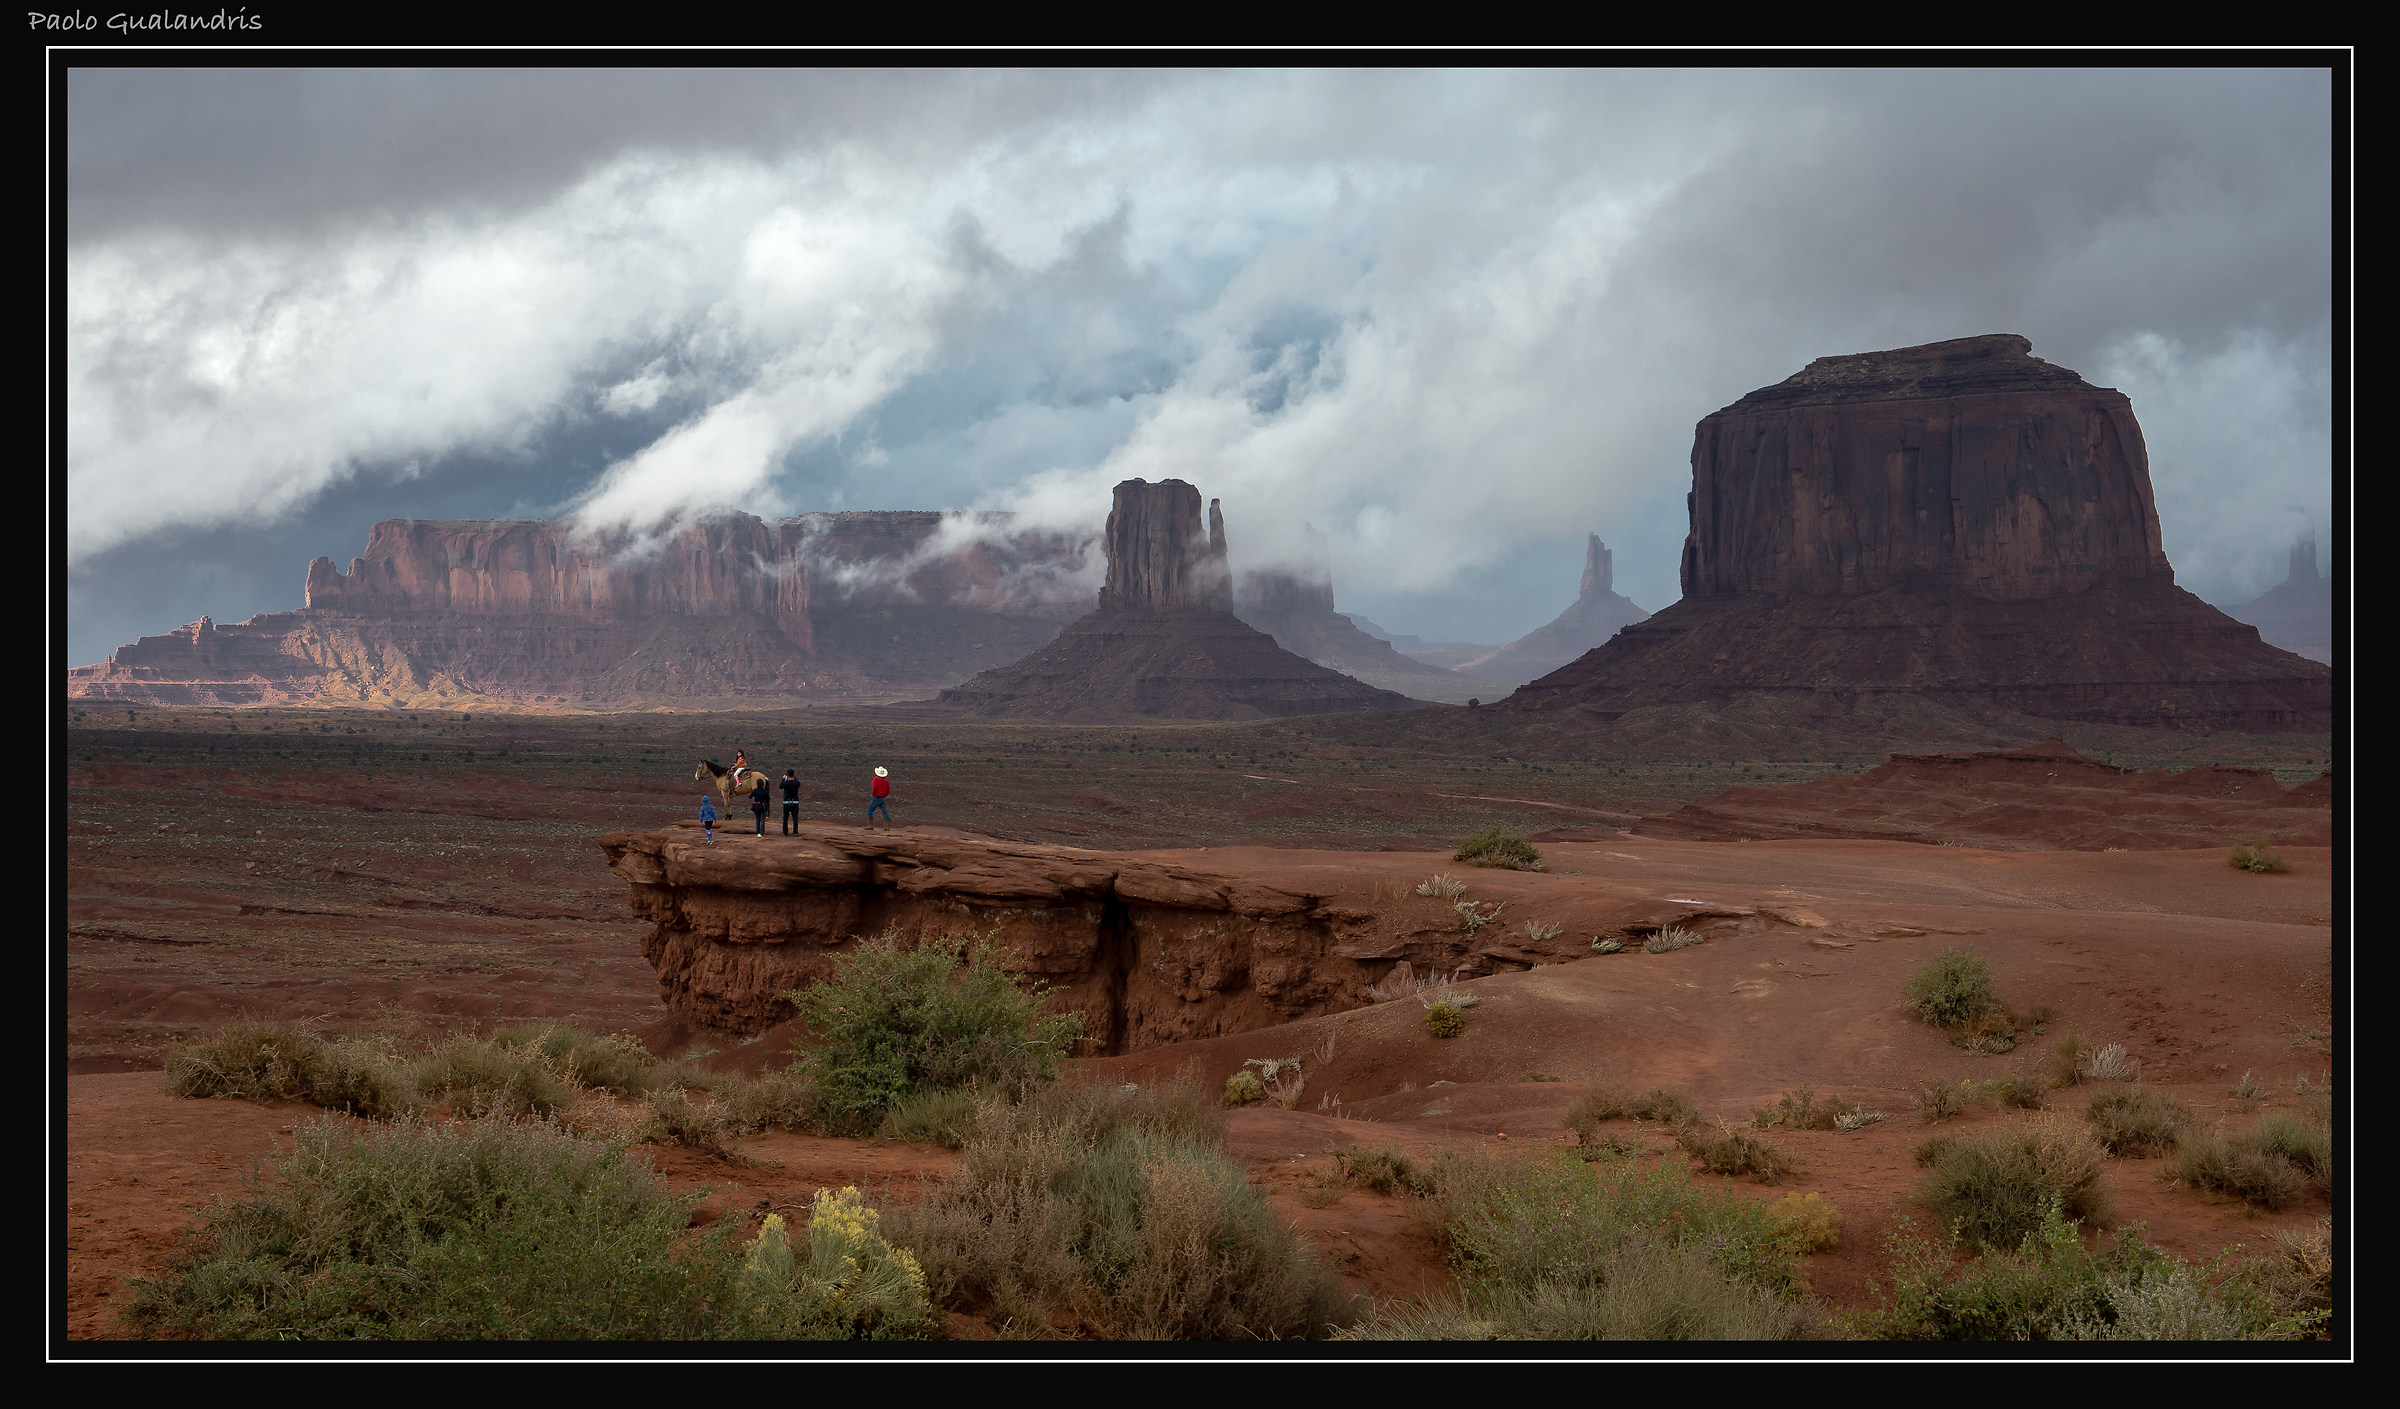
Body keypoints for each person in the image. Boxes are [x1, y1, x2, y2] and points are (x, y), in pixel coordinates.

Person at [780, 768, 801, 835]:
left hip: (786, 802)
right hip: (795, 802)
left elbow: (780, 786)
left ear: (788, 775)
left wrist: (783, 779)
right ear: (793, 774)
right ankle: (795, 832)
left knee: (785, 818)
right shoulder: (796, 783)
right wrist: (794, 777)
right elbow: (798, 782)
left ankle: (785, 832)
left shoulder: (785, 783)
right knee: (795, 818)